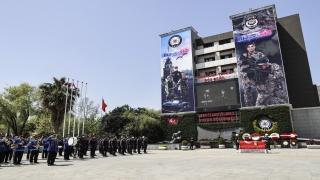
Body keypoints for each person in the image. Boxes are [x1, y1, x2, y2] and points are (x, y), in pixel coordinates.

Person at [238, 42, 265, 106]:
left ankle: (262, 105)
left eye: (252, 46)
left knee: (262, 92)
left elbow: (264, 62)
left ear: (254, 47)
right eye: (249, 47)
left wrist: (257, 64)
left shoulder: (259, 54)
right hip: (247, 76)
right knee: (247, 93)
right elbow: (239, 63)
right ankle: (249, 107)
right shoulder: (244, 55)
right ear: (247, 48)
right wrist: (244, 62)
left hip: (258, 75)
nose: (251, 48)